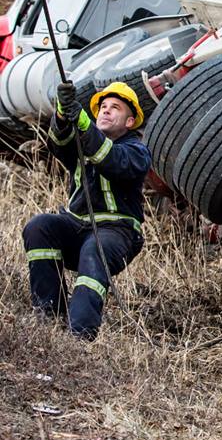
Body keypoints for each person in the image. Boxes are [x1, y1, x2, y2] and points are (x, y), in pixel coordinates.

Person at [22, 80, 151, 339]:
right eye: (103, 106)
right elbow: (58, 144)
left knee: (95, 250)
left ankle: (79, 335)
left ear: (129, 122)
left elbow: (112, 160)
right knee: (39, 227)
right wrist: (62, 112)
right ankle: (48, 317)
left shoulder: (137, 151)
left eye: (115, 108)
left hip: (117, 232)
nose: (105, 110)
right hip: (76, 225)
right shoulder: (84, 142)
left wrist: (84, 123)